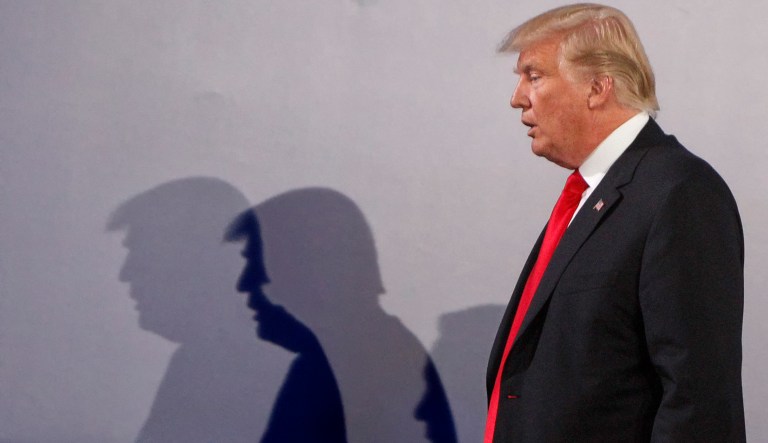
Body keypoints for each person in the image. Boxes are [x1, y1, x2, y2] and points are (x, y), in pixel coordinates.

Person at [485, 4, 745, 442]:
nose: (517, 97)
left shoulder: (680, 194)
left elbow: (698, 401)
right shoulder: (591, 193)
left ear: (597, 87)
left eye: (534, 76)